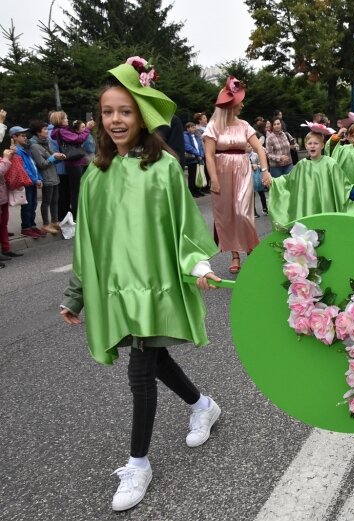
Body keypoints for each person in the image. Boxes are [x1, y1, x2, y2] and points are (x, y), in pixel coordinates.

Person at [59, 57, 223, 512]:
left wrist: (196, 265)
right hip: (116, 289)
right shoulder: (95, 174)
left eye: (125, 111)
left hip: (154, 286)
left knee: (141, 369)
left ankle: (139, 463)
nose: (115, 120)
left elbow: (184, 226)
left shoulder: (165, 168)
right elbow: (88, 244)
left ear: (141, 115)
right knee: (152, 354)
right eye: (108, 111)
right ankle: (202, 404)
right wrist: (75, 294)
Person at [203, 76, 269, 274]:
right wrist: (213, 179)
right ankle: (235, 255)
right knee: (227, 215)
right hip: (221, 173)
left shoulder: (244, 125)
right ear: (231, 105)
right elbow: (208, 155)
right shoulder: (213, 127)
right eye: (239, 102)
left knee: (242, 212)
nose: (242, 105)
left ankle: (253, 249)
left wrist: (265, 171)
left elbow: (259, 148)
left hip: (242, 170)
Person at [264, 123, 354, 226]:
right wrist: (272, 181)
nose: (312, 146)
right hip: (307, 206)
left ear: (322, 145)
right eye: (310, 143)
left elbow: (342, 183)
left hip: (325, 204)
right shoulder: (301, 165)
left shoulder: (330, 163)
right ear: (306, 146)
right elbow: (288, 180)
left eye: (316, 143)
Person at [50, 111, 94, 221]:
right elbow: (78, 139)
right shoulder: (61, 131)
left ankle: (77, 214)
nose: (67, 120)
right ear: (60, 120)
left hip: (73, 163)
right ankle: (77, 215)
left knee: (76, 190)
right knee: (76, 191)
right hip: (74, 163)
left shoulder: (61, 131)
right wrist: (87, 129)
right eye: (65, 118)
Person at [28, 120, 65, 234]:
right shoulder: (34, 146)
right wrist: (53, 157)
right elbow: (41, 164)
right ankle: (45, 224)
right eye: (44, 129)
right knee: (46, 201)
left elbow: (51, 159)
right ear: (38, 132)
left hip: (53, 176)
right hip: (46, 177)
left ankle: (54, 221)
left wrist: (59, 158)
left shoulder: (46, 142)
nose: (47, 131)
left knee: (55, 200)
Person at [9, 126, 44, 238]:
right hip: (26, 182)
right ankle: (26, 227)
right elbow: (23, 168)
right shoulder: (16, 151)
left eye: (25, 135)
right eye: (22, 135)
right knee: (27, 205)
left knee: (33, 204)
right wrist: (35, 179)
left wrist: (39, 178)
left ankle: (32, 225)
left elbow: (33, 166)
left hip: (32, 181)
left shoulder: (25, 150)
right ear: (14, 137)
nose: (25, 138)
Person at [183, 121, 206, 197]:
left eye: (194, 127)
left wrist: (201, 155)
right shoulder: (185, 136)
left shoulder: (196, 136)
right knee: (192, 175)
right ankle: (192, 191)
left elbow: (201, 147)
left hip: (199, 158)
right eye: (192, 127)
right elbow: (188, 146)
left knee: (199, 174)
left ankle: (198, 190)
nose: (194, 129)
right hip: (192, 158)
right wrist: (198, 154)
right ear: (188, 128)